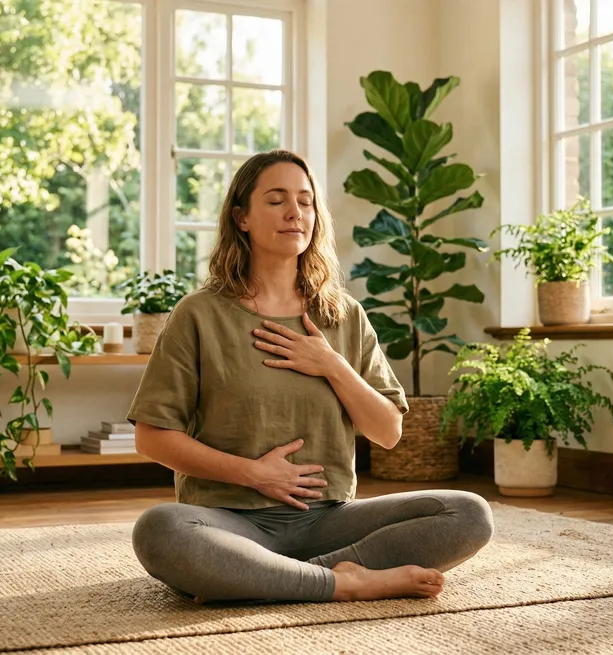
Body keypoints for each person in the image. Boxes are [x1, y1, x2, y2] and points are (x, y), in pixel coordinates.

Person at [125, 149, 494, 604]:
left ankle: (263, 580)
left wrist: (332, 364)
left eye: (305, 200)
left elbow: (388, 431)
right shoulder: (199, 314)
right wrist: (255, 474)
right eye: (276, 200)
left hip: (328, 521)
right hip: (229, 520)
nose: (295, 212)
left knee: (467, 513)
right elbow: (152, 438)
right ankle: (344, 582)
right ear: (241, 217)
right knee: (160, 530)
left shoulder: (344, 315)